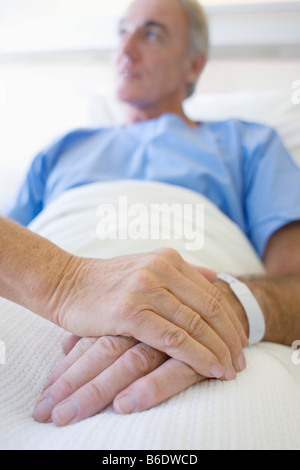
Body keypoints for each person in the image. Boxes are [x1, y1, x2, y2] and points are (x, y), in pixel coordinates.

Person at [1, 0, 300, 427]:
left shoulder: (249, 144)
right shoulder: (60, 150)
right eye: (121, 32)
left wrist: (219, 308)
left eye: (152, 33)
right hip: (40, 313)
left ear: (193, 65)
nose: (126, 48)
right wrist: (65, 282)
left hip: (204, 325)